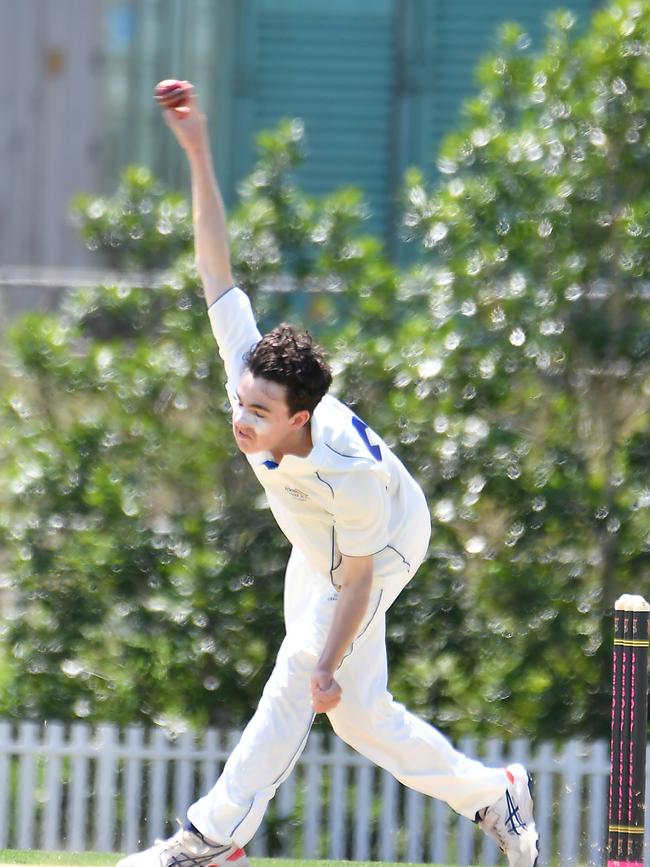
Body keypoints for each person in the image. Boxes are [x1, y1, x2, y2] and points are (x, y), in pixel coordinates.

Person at [117, 81, 539, 867]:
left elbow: (357, 578)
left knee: (299, 673)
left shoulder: (348, 471)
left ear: (301, 419)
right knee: (359, 716)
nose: (239, 420)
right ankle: (491, 793)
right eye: (239, 402)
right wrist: (199, 150)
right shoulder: (251, 371)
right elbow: (216, 268)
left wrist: (322, 663)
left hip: (381, 544)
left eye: (258, 413)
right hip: (320, 546)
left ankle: (209, 840)